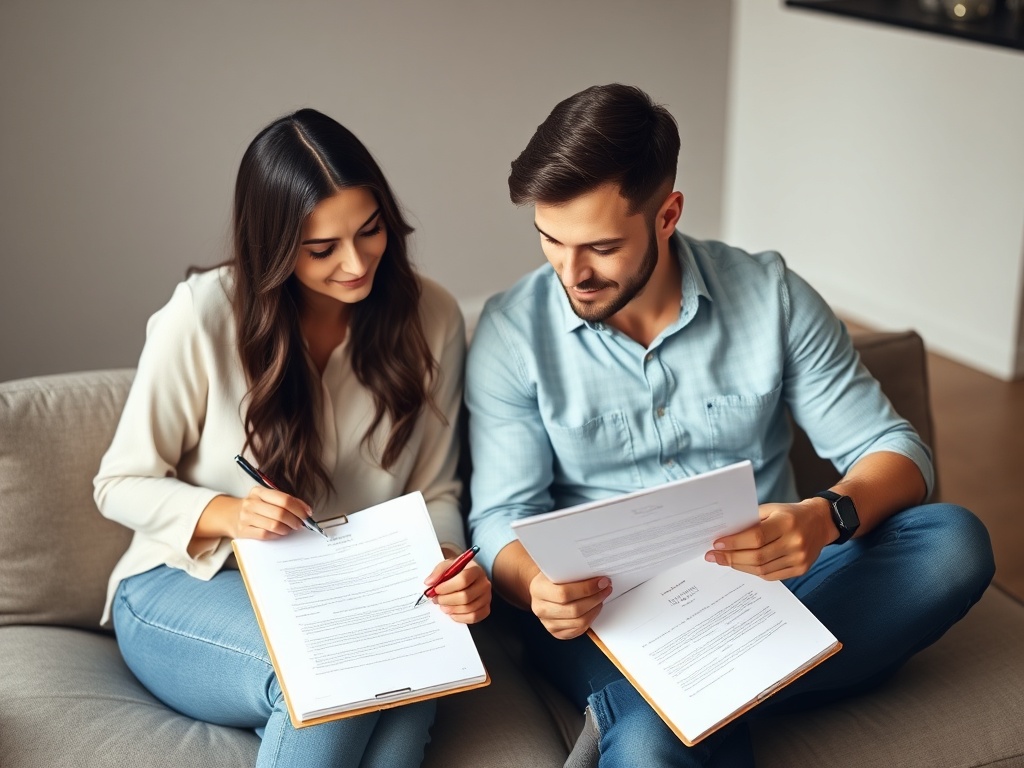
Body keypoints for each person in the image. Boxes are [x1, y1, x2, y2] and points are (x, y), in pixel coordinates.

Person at [465, 84, 994, 768]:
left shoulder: (770, 296)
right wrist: (536, 586)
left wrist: (824, 517)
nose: (572, 272)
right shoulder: (513, 332)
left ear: (668, 214)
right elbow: (500, 518)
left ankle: (683, 701)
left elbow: (895, 449)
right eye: (550, 240)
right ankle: (727, 690)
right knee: (657, 736)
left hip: (770, 589)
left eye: (599, 246)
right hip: (609, 620)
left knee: (953, 543)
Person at [94, 108, 491, 768]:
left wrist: (447, 560)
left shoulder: (434, 316)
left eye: (370, 231)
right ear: (274, 247)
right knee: (330, 679)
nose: (357, 262)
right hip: (184, 581)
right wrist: (229, 513)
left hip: (351, 595)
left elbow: (439, 489)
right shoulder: (203, 314)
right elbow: (116, 484)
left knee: (412, 699)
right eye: (322, 249)